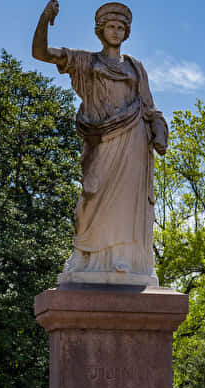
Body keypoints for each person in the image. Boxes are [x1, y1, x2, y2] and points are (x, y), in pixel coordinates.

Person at [32, 1, 167, 280]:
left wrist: (159, 131)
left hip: (133, 138)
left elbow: (150, 107)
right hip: (100, 138)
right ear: (100, 30)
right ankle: (84, 253)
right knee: (90, 196)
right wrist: (44, 20)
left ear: (126, 32)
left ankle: (122, 257)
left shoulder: (135, 67)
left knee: (126, 200)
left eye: (121, 27)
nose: (116, 32)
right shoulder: (86, 60)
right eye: (111, 27)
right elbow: (41, 53)